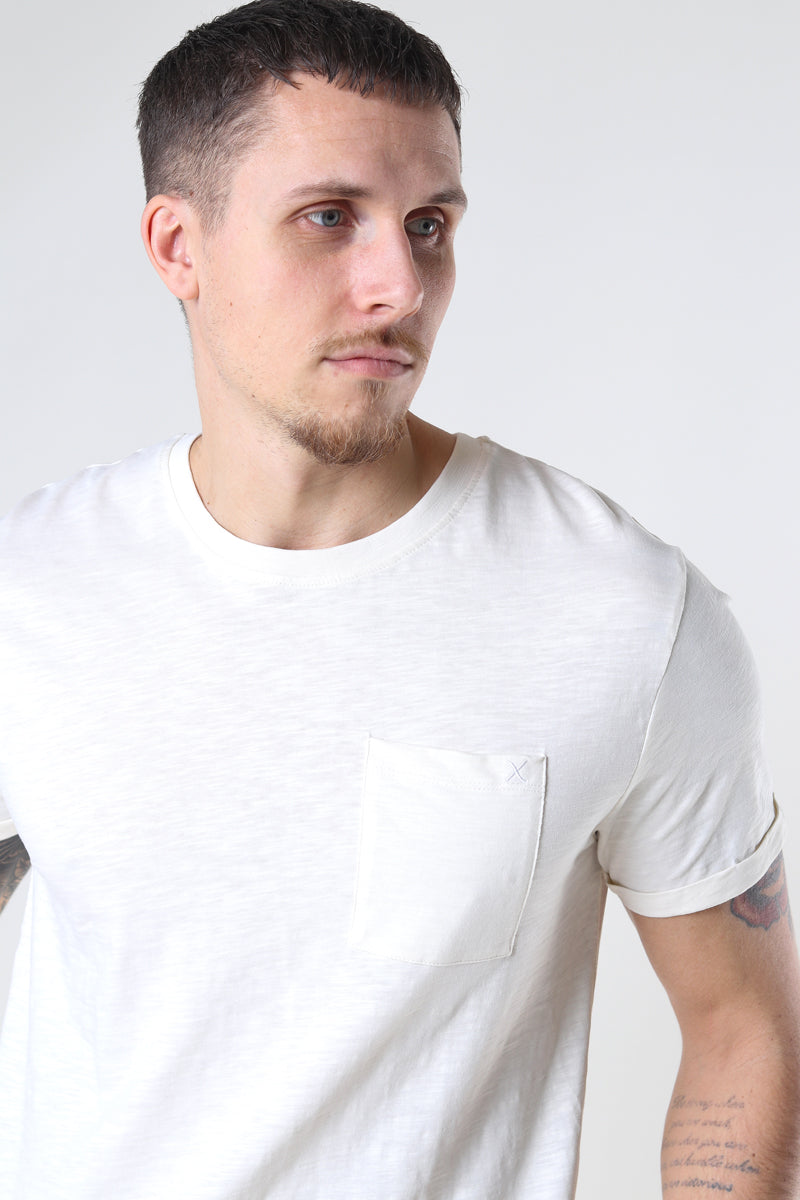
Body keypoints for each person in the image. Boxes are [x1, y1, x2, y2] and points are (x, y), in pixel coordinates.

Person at [0, 0, 798, 1195]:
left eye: (429, 226)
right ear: (178, 247)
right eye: (329, 218)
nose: (398, 285)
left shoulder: (621, 614)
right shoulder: (32, 587)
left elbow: (745, 1028)